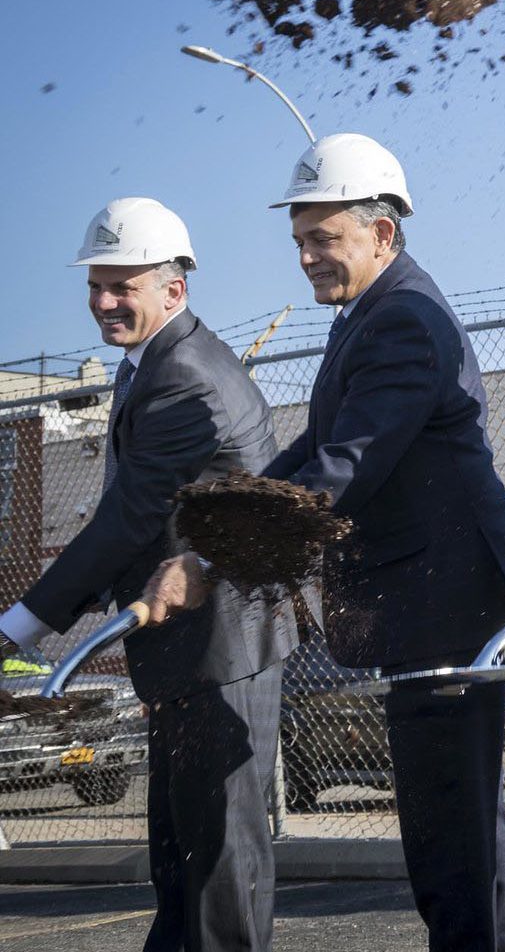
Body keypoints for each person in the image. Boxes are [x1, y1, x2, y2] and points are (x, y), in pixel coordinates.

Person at [264, 134, 505, 952]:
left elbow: (351, 461)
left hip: (447, 608)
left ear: (383, 233)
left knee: (453, 836)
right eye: (301, 241)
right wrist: (225, 500)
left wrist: (236, 540)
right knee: (453, 827)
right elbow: (320, 442)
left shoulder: (404, 319)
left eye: (326, 238)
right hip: (430, 605)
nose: (309, 256)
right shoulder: (371, 315)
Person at [0, 198, 294, 952]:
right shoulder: (153, 364)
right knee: (185, 859)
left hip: (220, 651)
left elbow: (129, 517)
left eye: (122, 285)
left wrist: (19, 625)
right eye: (96, 285)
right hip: (189, 651)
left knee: (217, 868)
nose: (102, 302)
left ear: (174, 288)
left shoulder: (185, 378)